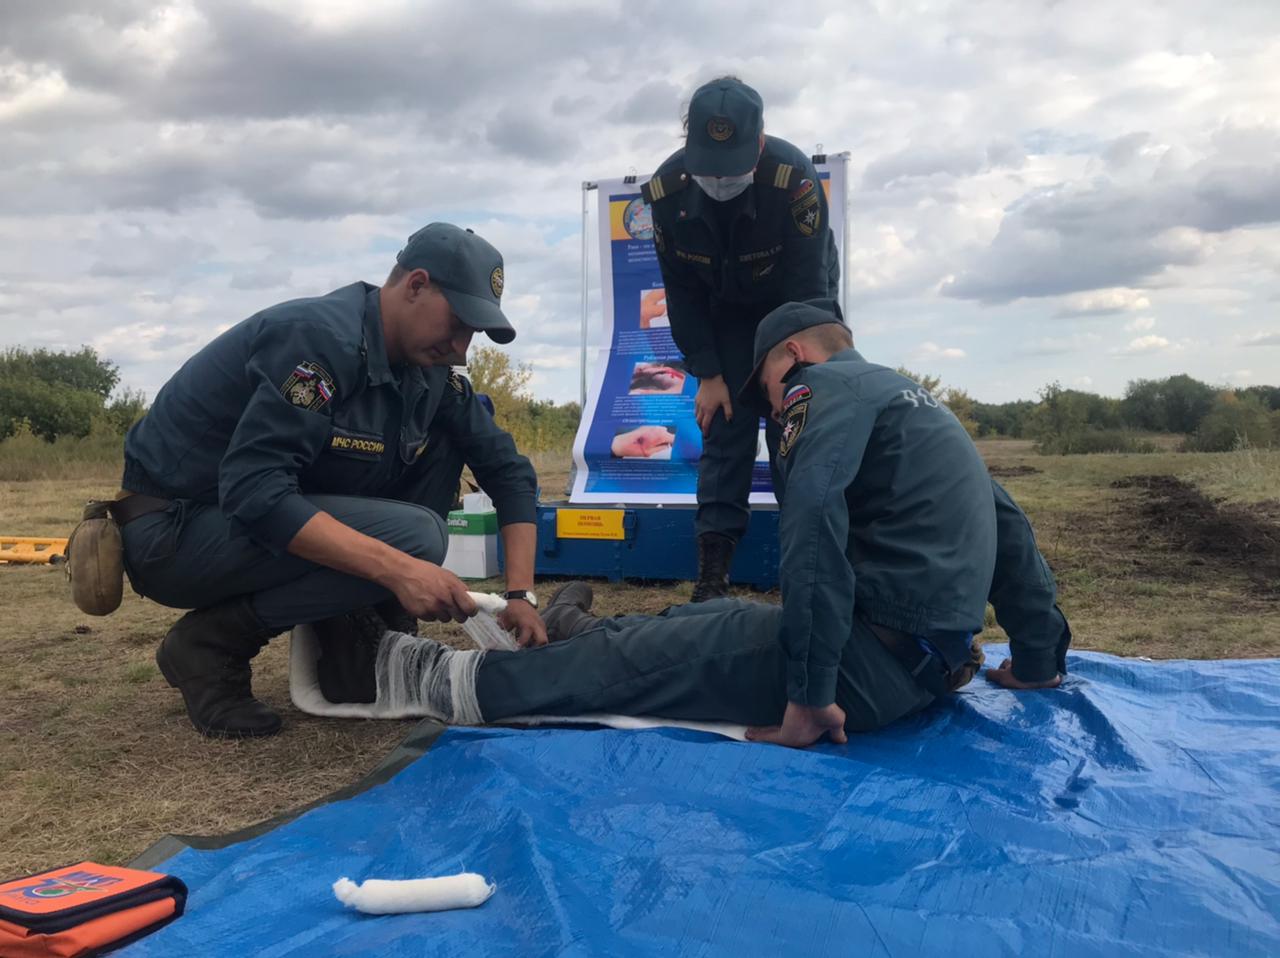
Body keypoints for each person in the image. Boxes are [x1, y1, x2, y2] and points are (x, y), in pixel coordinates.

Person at [330, 300, 1070, 748]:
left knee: (646, 664)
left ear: (796, 355)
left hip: (862, 668)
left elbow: (811, 532)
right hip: (925, 665)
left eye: (767, 392)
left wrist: (810, 699)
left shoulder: (821, 392)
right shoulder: (914, 401)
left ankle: (423, 678)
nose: (773, 410)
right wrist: (1038, 658)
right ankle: (573, 626)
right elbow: (1010, 530)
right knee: (708, 620)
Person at [115, 223, 546, 739]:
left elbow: (507, 471)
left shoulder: (426, 370)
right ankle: (211, 643)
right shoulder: (317, 343)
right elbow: (256, 490)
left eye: (473, 334)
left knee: (448, 440)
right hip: (176, 532)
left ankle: (367, 628)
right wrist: (401, 571)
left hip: (246, 526)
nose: (461, 347)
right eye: (458, 322)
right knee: (417, 538)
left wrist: (521, 594)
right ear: (415, 285)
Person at [642, 76, 840, 601]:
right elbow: (680, 291)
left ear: (758, 145)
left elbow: (808, 291)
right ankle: (711, 581)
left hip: (794, 304)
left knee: (792, 430)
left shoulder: (793, 181)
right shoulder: (667, 193)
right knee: (725, 429)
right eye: (707, 166)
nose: (718, 180)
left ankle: (808, 574)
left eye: (729, 169)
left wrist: (792, 375)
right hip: (722, 309)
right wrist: (708, 373)